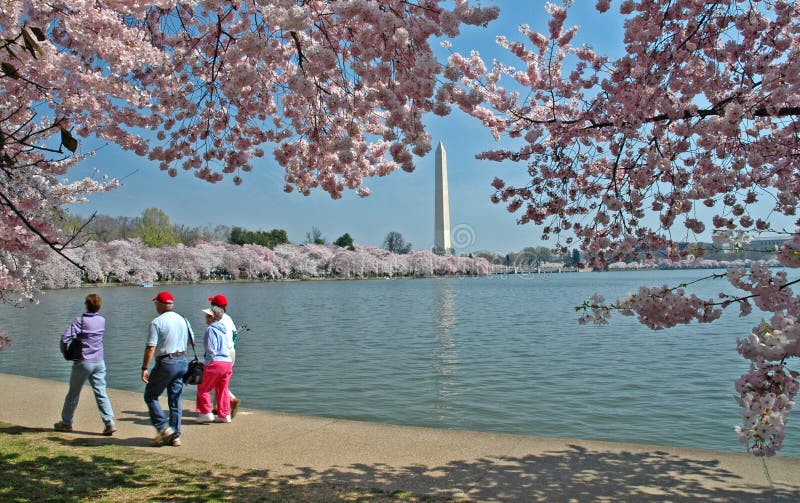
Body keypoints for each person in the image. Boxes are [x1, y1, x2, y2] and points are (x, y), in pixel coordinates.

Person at [54, 293, 116, 435]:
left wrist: (65, 353)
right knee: (101, 392)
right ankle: (109, 422)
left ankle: (66, 422)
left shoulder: (80, 321)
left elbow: (65, 338)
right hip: (99, 361)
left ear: (86, 305)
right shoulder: (102, 320)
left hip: (83, 361)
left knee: (73, 394)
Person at [141, 291, 193, 447]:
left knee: (150, 395)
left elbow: (150, 347)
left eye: (156, 303)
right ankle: (175, 435)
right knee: (175, 399)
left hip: (166, 362)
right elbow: (191, 341)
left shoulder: (157, 322)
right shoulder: (183, 320)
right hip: (182, 360)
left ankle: (163, 428)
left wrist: (144, 367)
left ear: (161, 305)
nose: (155, 305)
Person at [196, 305, 234, 423]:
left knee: (203, 387)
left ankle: (206, 412)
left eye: (207, 315)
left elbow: (212, 350)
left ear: (212, 317)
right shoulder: (222, 329)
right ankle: (224, 415)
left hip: (216, 362)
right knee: (222, 389)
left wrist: (205, 364)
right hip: (227, 362)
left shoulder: (210, 329)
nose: (205, 318)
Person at [208, 293, 240, 418]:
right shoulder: (229, 318)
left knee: (218, 382)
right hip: (232, 352)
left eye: (212, 304)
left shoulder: (216, 320)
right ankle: (216, 408)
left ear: (215, 306)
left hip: (221, 354)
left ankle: (231, 399)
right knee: (222, 380)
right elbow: (234, 336)